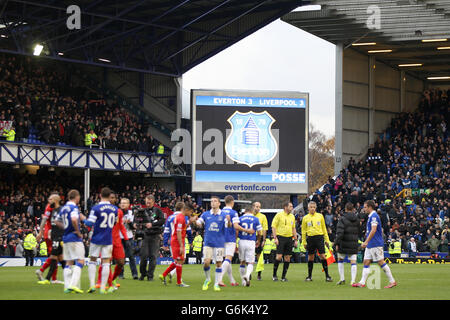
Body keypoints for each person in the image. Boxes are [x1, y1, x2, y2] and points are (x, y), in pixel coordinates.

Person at [196, 196, 252, 291]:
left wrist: (229, 220)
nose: (213, 203)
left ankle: (219, 282)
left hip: (220, 242)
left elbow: (229, 225)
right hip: (215, 241)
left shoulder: (223, 214)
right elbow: (199, 223)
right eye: (211, 201)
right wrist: (194, 221)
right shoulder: (206, 214)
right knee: (209, 262)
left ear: (219, 203)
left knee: (219, 262)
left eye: (215, 201)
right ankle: (213, 279)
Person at [353, 200, 397, 288]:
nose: (364, 209)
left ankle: (392, 281)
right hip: (371, 244)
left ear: (370, 207)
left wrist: (366, 241)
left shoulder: (374, 216)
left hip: (375, 243)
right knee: (366, 261)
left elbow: (373, 230)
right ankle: (362, 282)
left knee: (380, 262)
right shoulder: (371, 216)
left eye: (365, 207)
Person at [84, 187, 118, 294]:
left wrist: (82, 218)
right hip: (108, 238)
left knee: (93, 260)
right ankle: (103, 288)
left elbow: (89, 223)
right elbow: (115, 223)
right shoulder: (115, 209)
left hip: (96, 238)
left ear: (100, 195)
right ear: (109, 196)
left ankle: (92, 285)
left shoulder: (96, 208)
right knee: (106, 263)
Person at [95, 192, 129, 290]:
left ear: (115, 200)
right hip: (105, 240)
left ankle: (112, 280)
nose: (111, 199)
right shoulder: (101, 211)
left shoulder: (119, 212)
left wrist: (126, 238)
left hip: (117, 241)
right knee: (106, 262)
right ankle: (103, 282)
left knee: (121, 262)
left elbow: (121, 226)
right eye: (109, 197)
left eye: (113, 197)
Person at [159, 202, 195, 287]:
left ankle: (164, 275)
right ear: (186, 210)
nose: (190, 214)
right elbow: (178, 232)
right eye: (190, 212)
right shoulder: (180, 218)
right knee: (179, 261)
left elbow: (183, 229)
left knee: (179, 261)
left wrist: (190, 222)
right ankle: (179, 282)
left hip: (176, 241)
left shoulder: (180, 217)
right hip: (177, 242)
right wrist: (181, 245)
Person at [57, 189, 85, 293]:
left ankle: (67, 287)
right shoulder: (74, 207)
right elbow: (74, 220)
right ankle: (73, 285)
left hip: (66, 237)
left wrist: (66, 228)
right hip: (74, 237)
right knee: (80, 260)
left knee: (69, 262)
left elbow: (56, 220)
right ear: (77, 197)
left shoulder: (64, 208)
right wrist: (77, 231)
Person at [37, 194, 66, 285]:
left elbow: (45, 220)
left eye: (50, 199)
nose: (48, 200)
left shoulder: (51, 208)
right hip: (51, 233)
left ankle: (52, 277)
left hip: (51, 233)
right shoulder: (51, 208)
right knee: (55, 255)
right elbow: (45, 220)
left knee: (57, 255)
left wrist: (41, 232)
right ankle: (49, 275)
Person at [301, 201, 332, 282]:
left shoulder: (320, 216)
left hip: (319, 238)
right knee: (311, 257)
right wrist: (304, 242)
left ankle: (327, 276)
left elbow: (324, 228)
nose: (312, 209)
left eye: (314, 207)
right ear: (308, 208)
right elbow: (303, 231)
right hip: (310, 238)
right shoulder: (305, 218)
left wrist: (327, 240)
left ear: (316, 208)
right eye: (311, 207)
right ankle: (309, 276)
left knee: (322, 256)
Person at [138, 195, 165, 281]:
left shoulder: (158, 211)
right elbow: (138, 222)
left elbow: (162, 221)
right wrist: (141, 225)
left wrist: (152, 224)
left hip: (155, 236)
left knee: (153, 256)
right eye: (146, 202)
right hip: (145, 235)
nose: (148, 204)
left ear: (153, 202)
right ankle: (143, 273)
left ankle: (150, 276)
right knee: (143, 256)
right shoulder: (142, 211)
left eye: (149, 202)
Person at [235, 206, 262, 287]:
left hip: (241, 241)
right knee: (250, 262)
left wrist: (236, 243)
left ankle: (243, 282)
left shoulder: (240, 218)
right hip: (251, 242)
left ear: (245, 211)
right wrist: (258, 240)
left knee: (242, 261)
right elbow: (259, 232)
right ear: (252, 211)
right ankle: (247, 275)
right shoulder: (255, 219)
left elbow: (236, 231)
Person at [334, 202, 360, 285]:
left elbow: (340, 233)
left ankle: (342, 279)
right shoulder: (357, 219)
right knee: (353, 262)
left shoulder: (342, 219)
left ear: (345, 209)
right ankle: (353, 281)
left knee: (340, 259)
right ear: (353, 209)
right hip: (353, 243)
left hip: (343, 243)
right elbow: (359, 231)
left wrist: (336, 243)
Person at [271, 202, 297, 282]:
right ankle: (274, 275)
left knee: (287, 258)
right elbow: (273, 226)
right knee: (279, 257)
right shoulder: (279, 215)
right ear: (285, 207)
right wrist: (275, 238)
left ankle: (283, 277)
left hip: (289, 238)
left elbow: (293, 228)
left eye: (292, 206)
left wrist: (295, 240)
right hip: (280, 237)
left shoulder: (292, 216)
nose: (292, 208)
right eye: (290, 206)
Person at [162, 202, 186, 283]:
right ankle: (178, 280)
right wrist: (189, 240)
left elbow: (166, 231)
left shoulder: (169, 218)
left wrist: (165, 243)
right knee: (180, 260)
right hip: (179, 241)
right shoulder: (183, 217)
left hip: (171, 240)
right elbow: (187, 230)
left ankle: (168, 274)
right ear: (183, 208)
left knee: (178, 260)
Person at [219, 195, 240, 287]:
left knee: (227, 260)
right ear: (232, 202)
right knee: (228, 258)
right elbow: (236, 227)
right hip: (230, 237)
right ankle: (219, 279)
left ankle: (232, 280)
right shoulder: (233, 212)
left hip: (220, 238)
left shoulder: (219, 212)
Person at [119, 198, 138, 279]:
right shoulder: (117, 212)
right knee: (120, 257)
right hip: (119, 237)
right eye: (121, 203)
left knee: (131, 256)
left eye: (125, 203)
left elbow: (133, 227)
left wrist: (130, 223)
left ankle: (135, 274)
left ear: (128, 204)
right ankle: (120, 274)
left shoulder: (131, 213)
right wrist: (122, 222)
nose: (123, 204)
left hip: (128, 237)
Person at [252, 201, 268, 281]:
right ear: (253, 207)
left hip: (259, 237)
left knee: (259, 256)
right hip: (250, 237)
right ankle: (249, 273)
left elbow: (264, 229)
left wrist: (264, 240)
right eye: (256, 206)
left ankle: (259, 275)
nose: (258, 208)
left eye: (259, 207)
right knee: (250, 255)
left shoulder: (263, 216)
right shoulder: (249, 215)